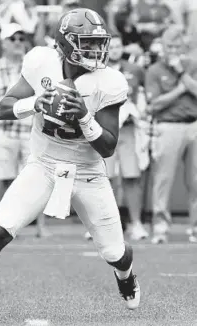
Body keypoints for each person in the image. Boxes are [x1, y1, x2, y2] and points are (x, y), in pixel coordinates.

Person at [0, 9, 140, 324]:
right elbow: (2, 107)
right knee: (0, 230)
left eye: (97, 43)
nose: (95, 51)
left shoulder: (110, 80)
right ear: (65, 45)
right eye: (86, 43)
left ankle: (126, 274)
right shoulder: (40, 61)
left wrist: (84, 117)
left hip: (89, 173)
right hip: (44, 165)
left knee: (114, 253)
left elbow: (108, 146)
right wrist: (35, 102)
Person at [0, 23, 50, 237]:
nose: (18, 42)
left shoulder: (34, 66)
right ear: (3, 43)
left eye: (21, 38)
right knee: (7, 180)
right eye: (13, 39)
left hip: (31, 131)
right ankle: (8, 227)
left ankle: (41, 226)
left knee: (37, 180)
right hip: (4, 132)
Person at [145, 25, 197, 244]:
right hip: (167, 127)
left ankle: (194, 228)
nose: (173, 50)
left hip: (194, 125)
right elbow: (154, 104)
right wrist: (180, 89)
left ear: (183, 46)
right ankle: (160, 226)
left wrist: (181, 73)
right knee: (163, 179)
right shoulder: (154, 70)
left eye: (177, 45)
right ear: (162, 46)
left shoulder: (192, 65)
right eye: (169, 46)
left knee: (196, 181)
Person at [105, 33, 149, 240]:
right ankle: (104, 225)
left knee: (132, 177)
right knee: (104, 179)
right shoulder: (96, 70)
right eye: (111, 46)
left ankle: (136, 223)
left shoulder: (135, 70)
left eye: (118, 45)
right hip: (104, 130)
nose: (114, 49)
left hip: (129, 129)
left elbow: (143, 97)